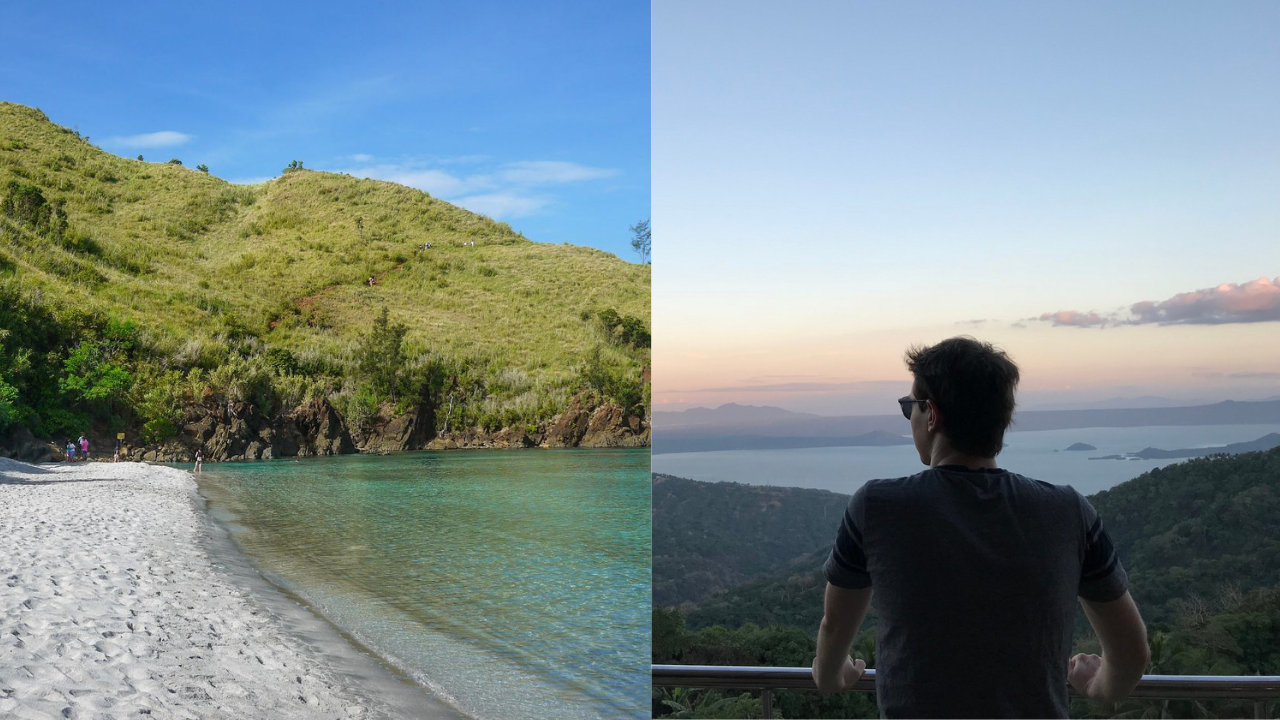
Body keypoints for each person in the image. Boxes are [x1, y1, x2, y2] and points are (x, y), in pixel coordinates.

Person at [811, 337, 1150, 718]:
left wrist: (830, 677)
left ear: (932, 415)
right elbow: (1132, 651)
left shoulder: (876, 508)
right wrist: (1099, 687)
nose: (911, 420)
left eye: (910, 408)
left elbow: (835, 625)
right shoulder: (1068, 512)